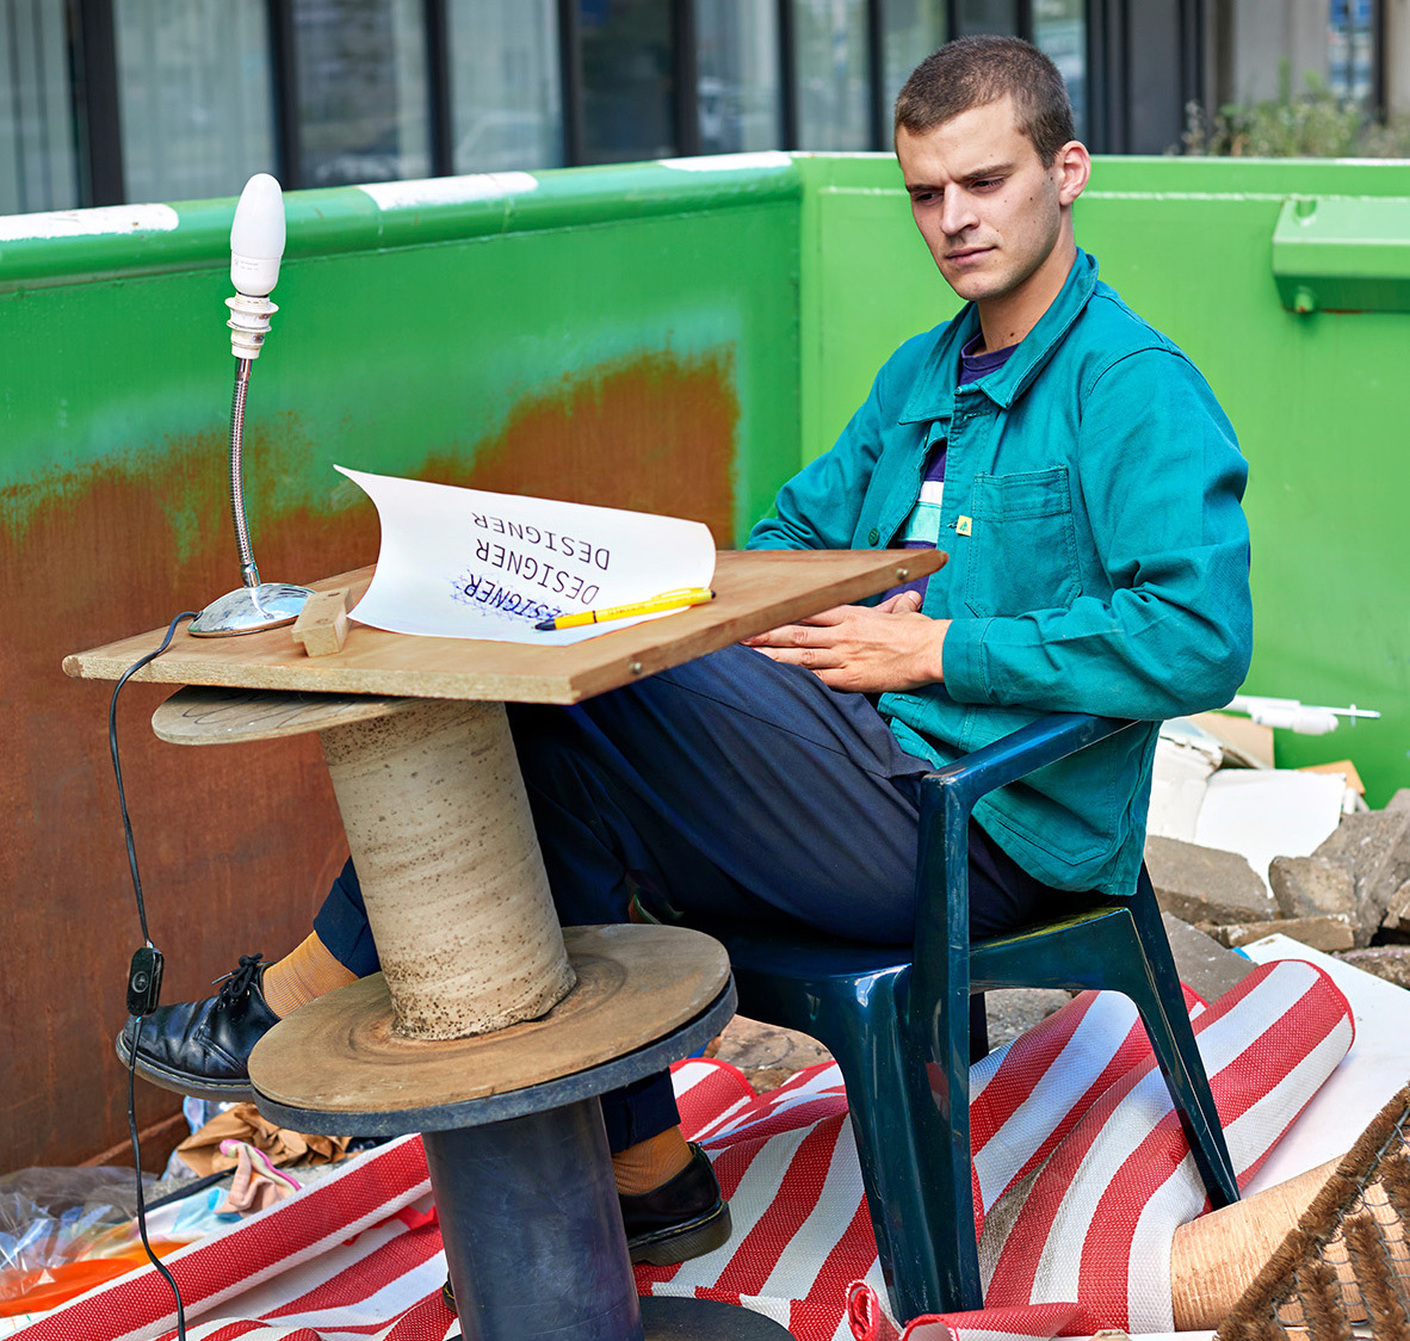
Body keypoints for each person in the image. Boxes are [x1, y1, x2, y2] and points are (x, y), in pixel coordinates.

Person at [120, 33, 1252, 1276]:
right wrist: (780, 634)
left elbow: (1199, 637)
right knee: (546, 743)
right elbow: (791, 537)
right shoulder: (923, 376)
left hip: (985, 829)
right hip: (863, 764)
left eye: (986, 182)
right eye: (926, 192)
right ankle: (650, 1177)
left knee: (572, 703)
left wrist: (938, 647)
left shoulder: (1130, 386)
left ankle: (300, 998)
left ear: (1066, 173)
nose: (954, 220)